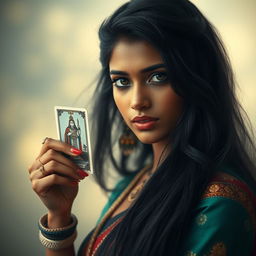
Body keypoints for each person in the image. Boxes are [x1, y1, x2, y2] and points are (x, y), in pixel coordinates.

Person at [28, 0, 256, 255]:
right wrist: (59, 214)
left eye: (158, 76)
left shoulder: (219, 204)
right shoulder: (129, 185)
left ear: (196, 77)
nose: (137, 101)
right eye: (122, 81)